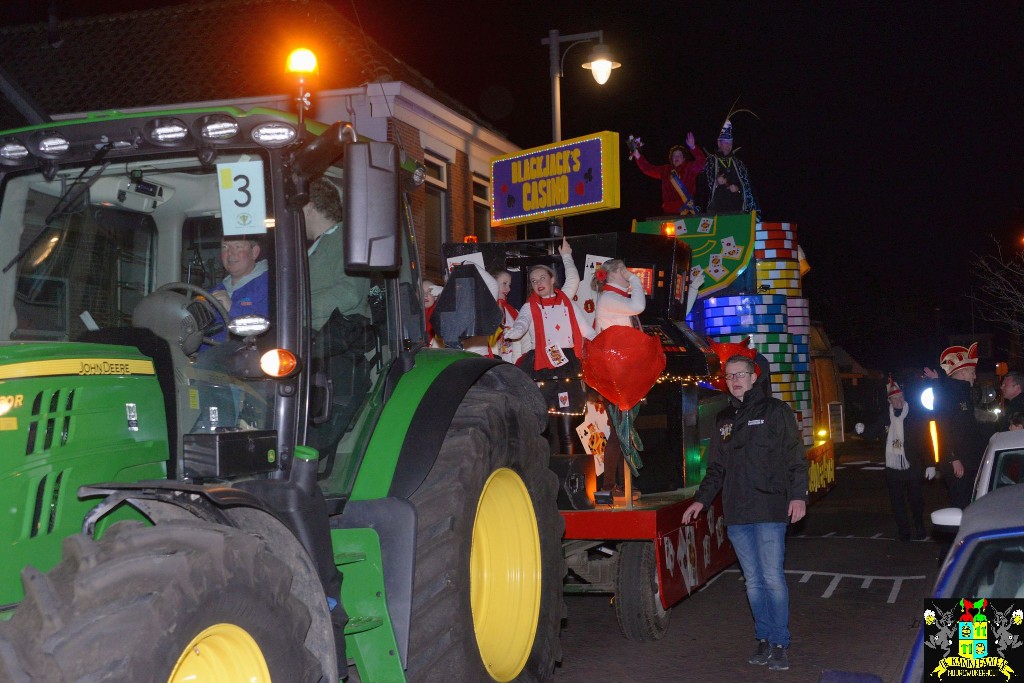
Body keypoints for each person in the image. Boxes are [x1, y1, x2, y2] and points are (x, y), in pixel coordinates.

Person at [681, 355, 808, 671]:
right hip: (737, 513)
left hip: (769, 508)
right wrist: (701, 500)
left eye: (741, 374)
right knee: (753, 581)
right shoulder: (723, 419)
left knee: (772, 579)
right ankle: (763, 638)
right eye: (729, 376)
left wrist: (798, 496)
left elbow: (795, 457)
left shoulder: (776, 412)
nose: (735, 379)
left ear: (754, 377)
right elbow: (716, 468)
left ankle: (780, 643)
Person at [505, 238, 596, 453]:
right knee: (542, 425)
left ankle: (569, 471)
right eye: (534, 280)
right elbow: (522, 323)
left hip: (567, 365)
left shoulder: (567, 300)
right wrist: (513, 332)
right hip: (542, 366)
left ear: (552, 279)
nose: (538, 283)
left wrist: (566, 255)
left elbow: (586, 329)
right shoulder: (529, 307)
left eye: (542, 278)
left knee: (567, 425)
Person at [304, 177, 372, 456]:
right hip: (308, 336)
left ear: (309, 206)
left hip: (332, 340)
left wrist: (298, 309)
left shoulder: (346, 240)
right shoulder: (315, 245)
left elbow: (349, 293)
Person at [592, 259, 646, 498]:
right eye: (624, 270)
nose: (629, 273)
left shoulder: (615, 297)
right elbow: (638, 306)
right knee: (619, 428)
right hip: (614, 372)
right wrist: (635, 280)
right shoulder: (608, 298)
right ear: (613, 273)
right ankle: (610, 485)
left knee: (623, 428)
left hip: (622, 370)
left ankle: (617, 483)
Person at [856, 377, 930, 541]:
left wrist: (930, 464)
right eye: (895, 398)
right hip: (893, 467)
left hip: (913, 465)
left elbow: (926, 440)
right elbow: (872, 432)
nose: (899, 401)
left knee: (916, 500)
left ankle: (919, 526)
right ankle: (904, 530)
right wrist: (862, 431)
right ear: (889, 400)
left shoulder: (914, 416)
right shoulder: (885, 417)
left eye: (901, 397)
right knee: (897, 502)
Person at [923, 343, 989, 509]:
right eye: (972, 373)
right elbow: (944, 427)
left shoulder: (967, 393)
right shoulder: (950, 394)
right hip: (959, 463)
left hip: (972, 461)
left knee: (972, 506)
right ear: (963, 372)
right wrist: (953, 458)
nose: (975, 376)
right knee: (960, 507)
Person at [209, 234, 269, 341]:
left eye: (238, 247)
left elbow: (264, 326)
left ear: (254, 252)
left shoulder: (270, 284)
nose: (230, 253)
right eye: (225, 247)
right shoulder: (216, 290)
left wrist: (232, 308)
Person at [630, 132, 707, 215]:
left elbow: (702, 162)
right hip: (668, 212)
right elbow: (648, 169)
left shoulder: (690, 168)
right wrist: (637, 155)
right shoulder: (665, 170)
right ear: (671, 158)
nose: (676, 157)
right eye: (674, 155)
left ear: (684, 158)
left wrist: (693, 147)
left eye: (679, 155)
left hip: (686, 211)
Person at [701, 118, 758, 216]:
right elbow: (700, 185)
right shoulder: (710, 162)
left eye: (730, 142)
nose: (728, 145)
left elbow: (748, 186)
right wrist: (716, 182)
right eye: (725, 142)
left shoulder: (739, 164)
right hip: (716, 211)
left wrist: (738, 188)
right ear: (719, 143)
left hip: (737, 210)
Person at [489, 267, 522, 364]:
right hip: (494, 362)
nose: (508, 289)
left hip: (513, 362)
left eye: (509, 285)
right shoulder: (484, 310)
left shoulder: (513, 310)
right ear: (492, 284)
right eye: (504, 283)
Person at [421, 280, 443, 347]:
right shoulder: (410, 314)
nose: (425, 295)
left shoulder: (440, 311)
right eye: (422, 292)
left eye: (430, 292)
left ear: (436, 297)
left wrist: (445, 293)